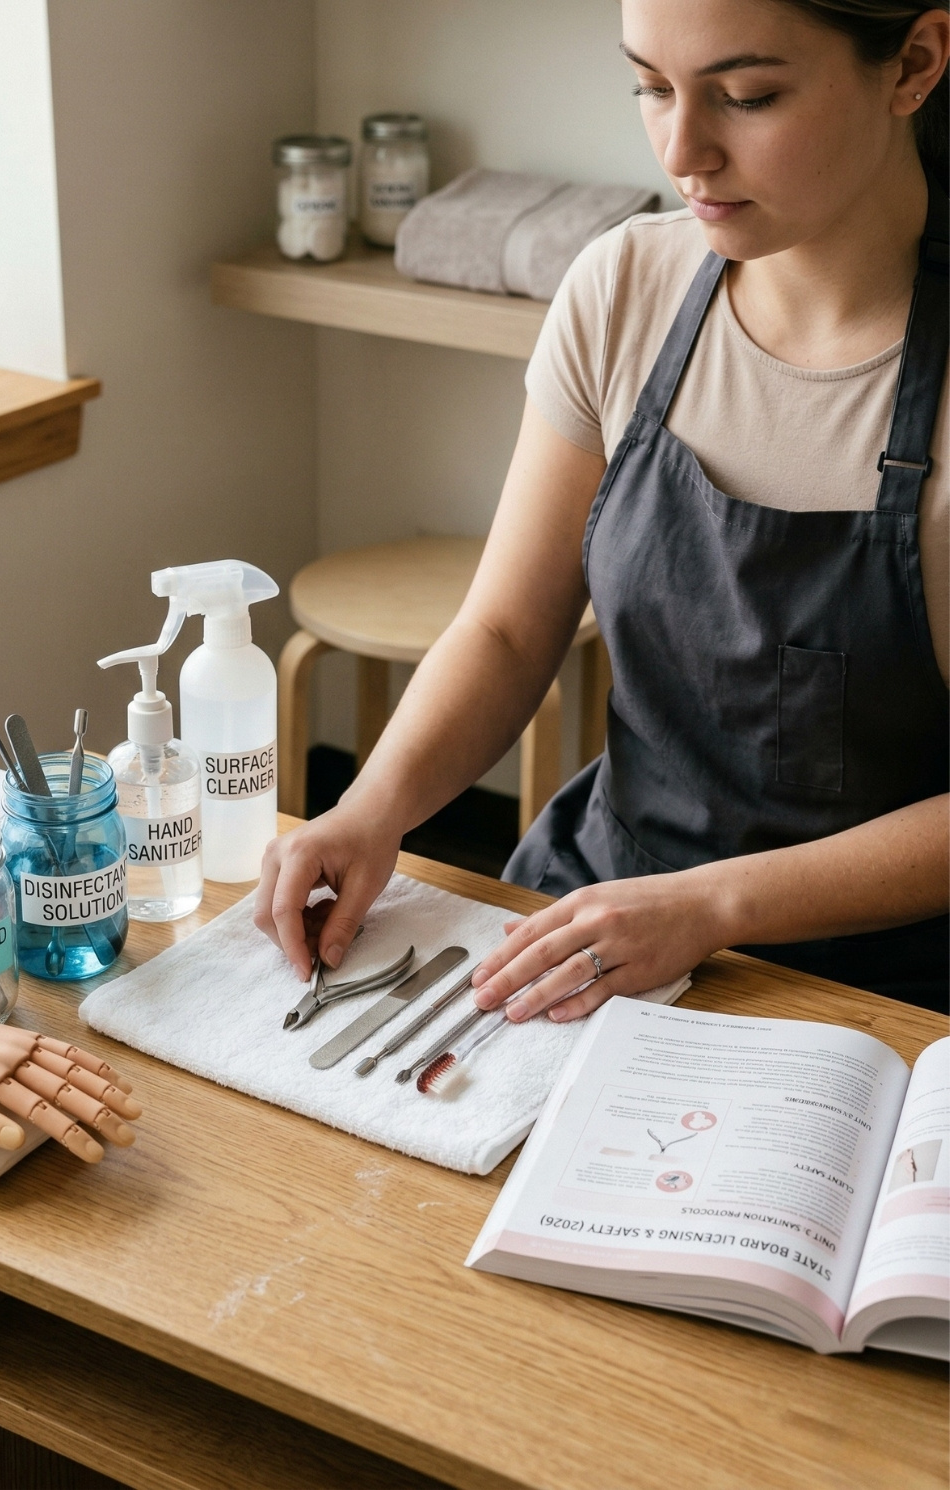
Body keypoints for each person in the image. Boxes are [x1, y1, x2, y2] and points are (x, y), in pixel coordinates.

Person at [256, 0, 950, 1019]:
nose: (683, 151)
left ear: (916, 63)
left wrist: (711, 904)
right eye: (651, 87)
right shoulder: (624, 285)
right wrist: (372, 807)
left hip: (877, 990)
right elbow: (504, 628)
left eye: (747, 96)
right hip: (593, 907)